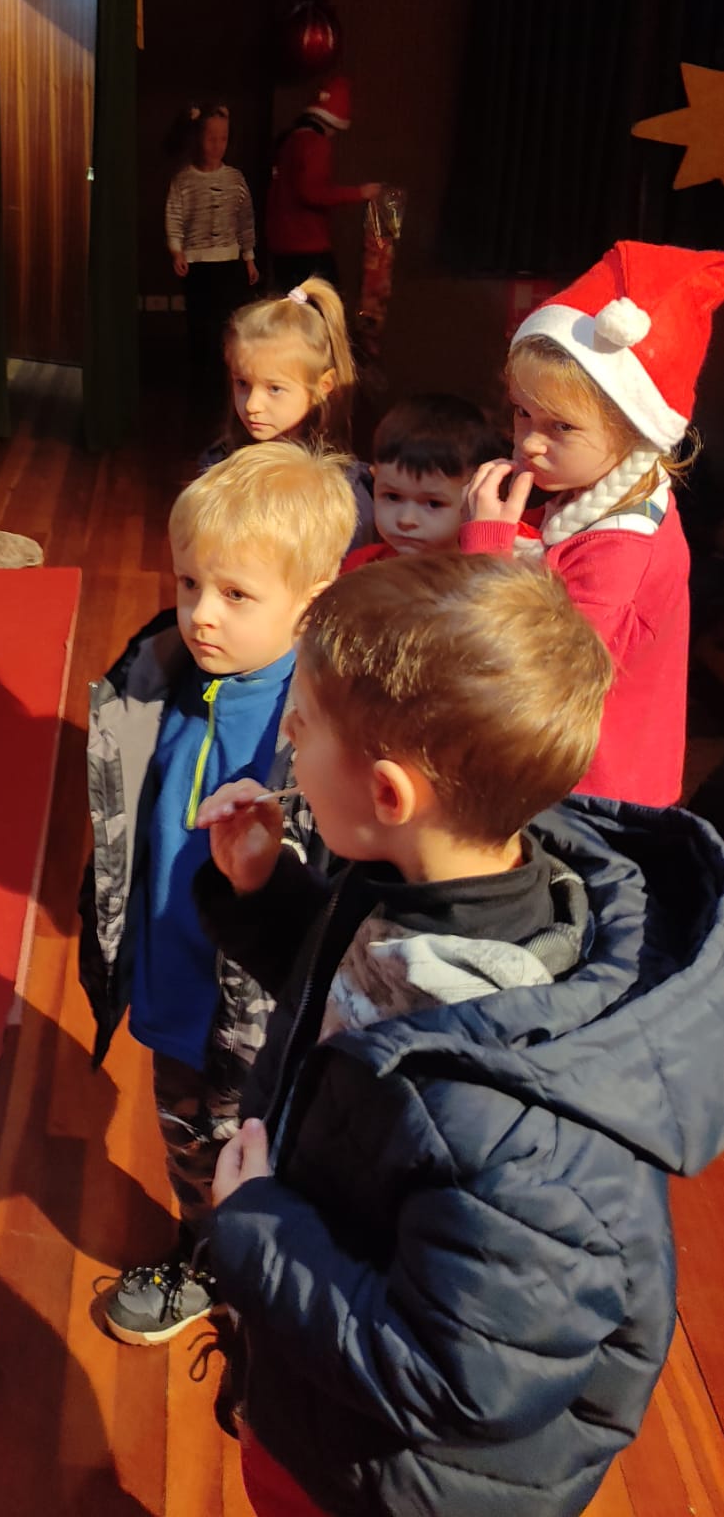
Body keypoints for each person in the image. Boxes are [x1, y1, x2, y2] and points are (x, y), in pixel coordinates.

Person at [194, 551, 724, 1517]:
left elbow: (456, 1380)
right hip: (320, 1372)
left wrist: (257, 1226)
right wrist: (267, 894)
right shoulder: (439, 885)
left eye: (301, 725)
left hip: (390, 1481)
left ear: (389, 795)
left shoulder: (524, 1124)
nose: (285, 739)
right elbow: (356, 1009)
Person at [77, 443, 356, 1346]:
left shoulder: (321, 723)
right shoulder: (157, 680)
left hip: (262, 1010)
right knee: (190, 1145)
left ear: (309, 598)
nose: (200, 614)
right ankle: (204, 1256)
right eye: (190, 582)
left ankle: (261, 1282)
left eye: (237, 596)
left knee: (266, 1149)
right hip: (173, 983)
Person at [463, 240, 724, 808]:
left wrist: (487, 550)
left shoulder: (620, 549)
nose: (530, 440)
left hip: (593, 801)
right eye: (522, 412)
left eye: (561, 427)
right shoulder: (596, 495)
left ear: (634, 428)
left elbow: (539, 675)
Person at [201, 279, 372, 548]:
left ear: (324, 386)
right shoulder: (217, 465)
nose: (252, 405)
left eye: (275, 389)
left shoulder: (345, 494)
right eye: (242, 383)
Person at [164, 102, 258, 426]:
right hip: (197, 265)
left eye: (223, 139)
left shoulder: (235, 179)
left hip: (228, 263)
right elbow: (174, 216)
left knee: (226, 330)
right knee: (199, 330)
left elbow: (246, 219)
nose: (217, 145)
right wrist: (177, 251)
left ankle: (226, 397)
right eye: (211, 138)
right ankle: (198, 400)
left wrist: (249, 257)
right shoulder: (184, 180)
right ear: (198, 139)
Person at [342, 393, 501, 571]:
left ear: (475, 494)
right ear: (375, 478)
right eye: (393, 497)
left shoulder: (477, 575)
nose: (406, 520)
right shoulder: (360, 566)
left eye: (433, 503)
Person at [263, 75, 381, 291]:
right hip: (306, 246)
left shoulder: (289, 140)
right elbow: (312, 192)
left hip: (280, 244)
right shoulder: (316, 143)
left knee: (293, 310)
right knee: (324, 307)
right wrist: (360, 193)